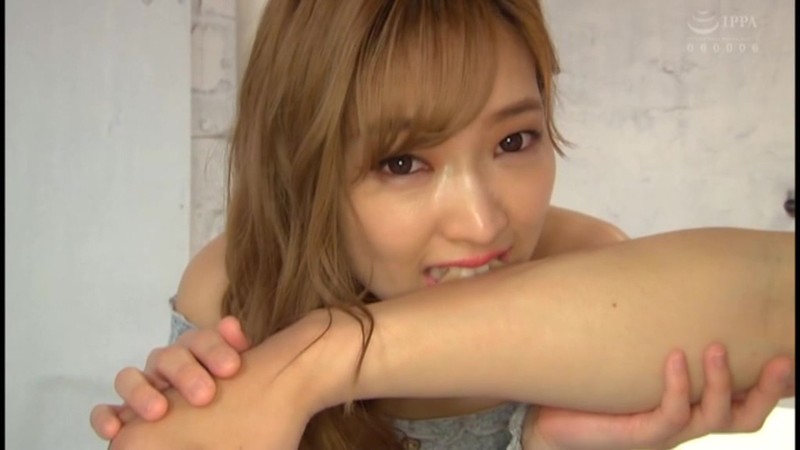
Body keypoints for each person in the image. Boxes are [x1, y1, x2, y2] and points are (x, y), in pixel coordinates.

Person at [92, 1, 796, 449]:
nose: (484, 223)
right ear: (305, 170)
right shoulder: (234, 290)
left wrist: (318, 355)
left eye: (514, 141)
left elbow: (776, 297)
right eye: (402, 162)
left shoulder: (583, 264)